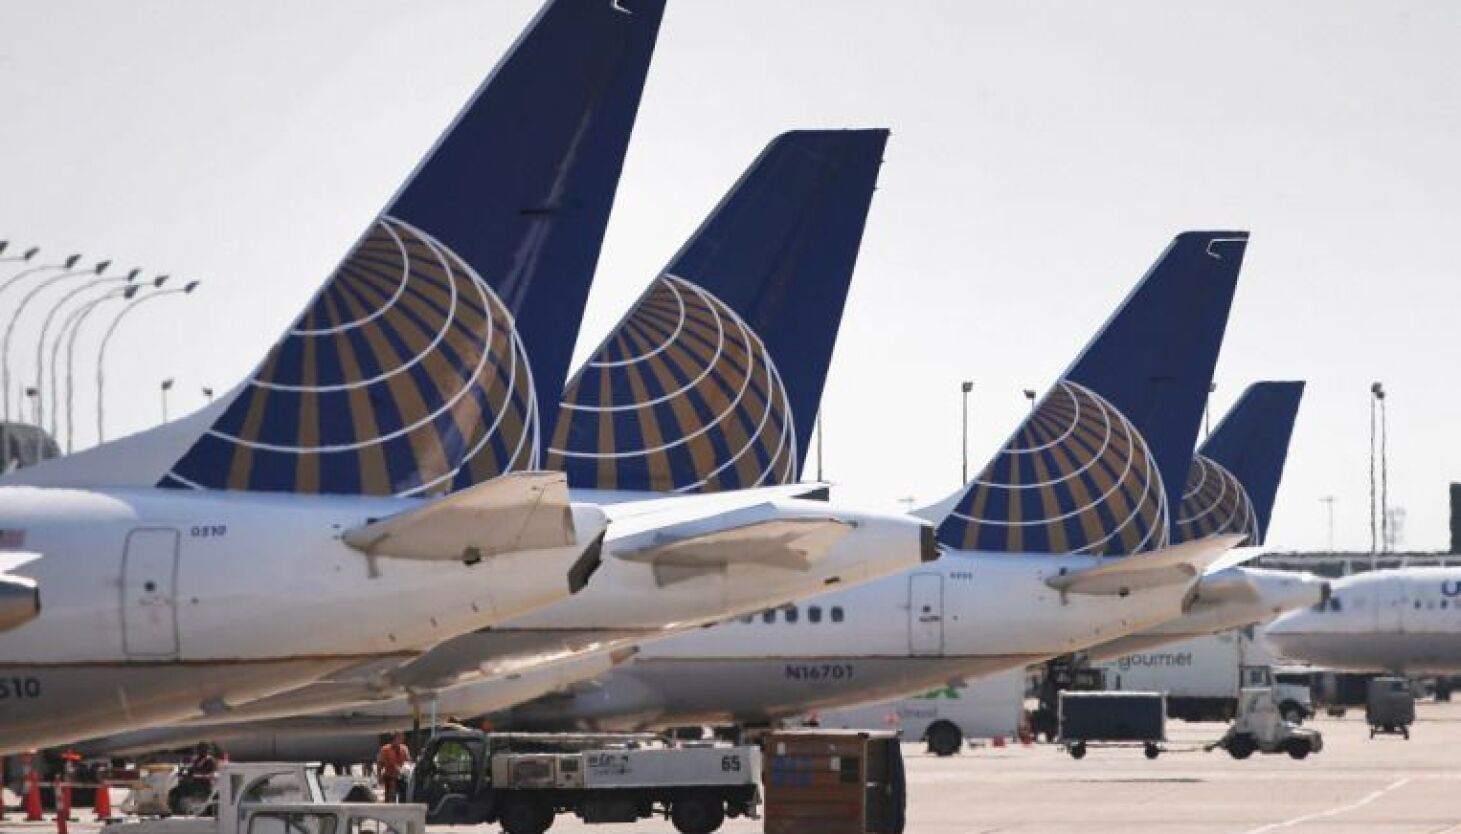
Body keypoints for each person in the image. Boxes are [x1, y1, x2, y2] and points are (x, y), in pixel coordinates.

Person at [376, 733, 412, 802]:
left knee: (403, 797)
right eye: (399, 738)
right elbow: (380, 764)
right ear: (394, 739)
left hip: (401, 777)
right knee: (390, 797)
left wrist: (405, 768)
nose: (401, 740)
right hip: (389, 776)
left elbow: (408, 761)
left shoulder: (404, 749)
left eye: (402, 738)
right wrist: (379, 776)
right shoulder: (385, 749)